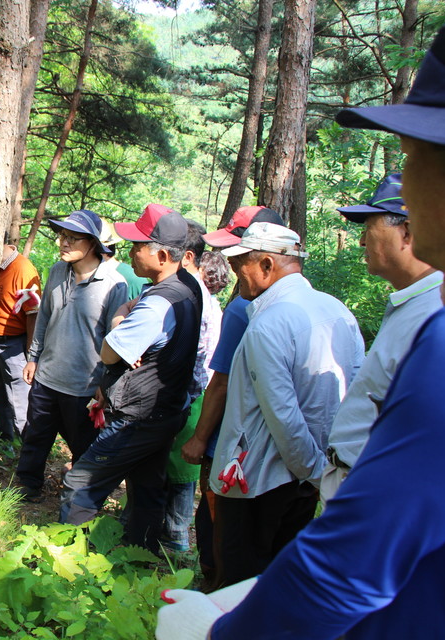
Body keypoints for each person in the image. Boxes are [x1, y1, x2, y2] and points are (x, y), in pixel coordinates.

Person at [157, 15, 445, 638]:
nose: (404, 186)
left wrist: (217, 630)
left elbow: (353, 566)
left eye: (411, 158)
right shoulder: (351, 310)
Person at [211, 222, 364, 587]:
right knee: (280, 577)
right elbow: (354, 391)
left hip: (263, 479)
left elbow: (282, 415)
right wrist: (322, 472)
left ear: (266, 264)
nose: (236, 275)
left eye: (239, 265)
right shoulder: (336, 309)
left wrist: (313, 471)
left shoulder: (270, 323)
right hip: (310, 476)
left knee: (240, 579)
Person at [60, 204, 201, 551]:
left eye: (139, 246)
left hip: (138, 416)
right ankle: (140, 556)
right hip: (166, 410)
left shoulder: (157, 303)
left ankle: (65, 560)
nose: (132, 253)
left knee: (80, 484)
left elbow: (110, 353)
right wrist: (127, 315)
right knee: (148, 487)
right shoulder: (187, 287)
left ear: (163, 255)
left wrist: (118, 323)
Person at [320, 174, 442, 506]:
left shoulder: (436, 313)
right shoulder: (412, 302)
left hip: (378, 497)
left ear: (407, 232)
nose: (361, 242)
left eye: (368, 229)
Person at [179, 205, 284, 586]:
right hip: (271, 452)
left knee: (216, 522)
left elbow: (220, 381)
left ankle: (214, 585)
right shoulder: (295, 306)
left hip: (230, 446)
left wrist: (201, 438)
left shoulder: (244, 307)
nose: (231, 262)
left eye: (237, 251)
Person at [14, 209, 128, 502]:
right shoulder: (56, 271)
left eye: (72, 238)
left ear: (92, 244)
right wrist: (33, 356)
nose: (63, 243)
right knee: (35, 436)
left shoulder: (114, 284)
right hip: (47, 376)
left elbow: (115, 340)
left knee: (83, 445)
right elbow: (44, 317)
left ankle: (79, 498)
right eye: (62, 236)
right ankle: (27, 486)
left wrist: (105, 383)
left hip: (84, 385)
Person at [157, 220, 223, 553]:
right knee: (172, 466)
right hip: (185, 393)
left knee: (182, 470)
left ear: (185, 256)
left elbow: (194, 351)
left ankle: (176, 536)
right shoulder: (192, 291)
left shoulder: (194, 295)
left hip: (193, 394)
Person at [0, 237, 42, 441]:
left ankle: (29, 451)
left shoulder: (22, 269)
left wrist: (30, 354)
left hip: (15, 343)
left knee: (20, 401)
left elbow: (34, 313)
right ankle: (4, 442)